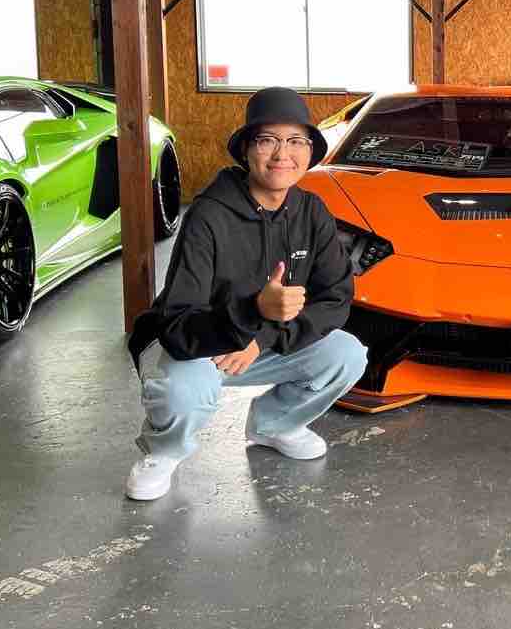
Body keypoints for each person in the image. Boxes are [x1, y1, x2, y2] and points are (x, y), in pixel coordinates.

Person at [124, 87, 367, 500]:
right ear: (246, 150)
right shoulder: (208, 215)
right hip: (201, 345)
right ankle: (163, 452)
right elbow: (179, 324)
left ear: (309, 151)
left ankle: (273, 425)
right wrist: (251, 311)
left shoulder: (312, 212)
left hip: (259, 344)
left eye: (295, 141)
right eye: (267, 140)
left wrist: (262, 336)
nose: (282, 154)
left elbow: (336, 299)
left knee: (346, 355)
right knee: (183, 392)